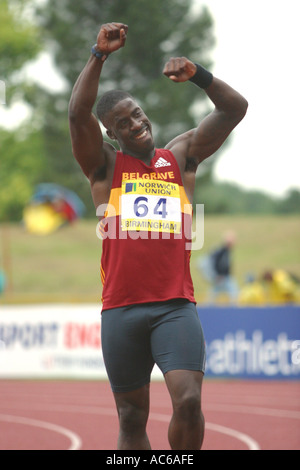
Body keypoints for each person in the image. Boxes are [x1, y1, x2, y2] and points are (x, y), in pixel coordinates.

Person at [68, 22, 248, 450]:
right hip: (121, 310)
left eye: (136, 113)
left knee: (188, 401)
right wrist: (98, 54)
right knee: (131, 418)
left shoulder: (181, 156)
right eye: (123, 122)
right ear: (111, 134)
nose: (136, 123)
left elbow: (235, 108)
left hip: (174, 307)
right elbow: (77, 114)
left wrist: (198, 74)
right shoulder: (104, 167)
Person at [205, 230, 239, 304]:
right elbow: (217, 263)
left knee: (214, 294)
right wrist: (217, 274)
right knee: (234, 292)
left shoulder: (226, 251)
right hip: (222, 277)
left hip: (223, 277)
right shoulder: (222, 251)